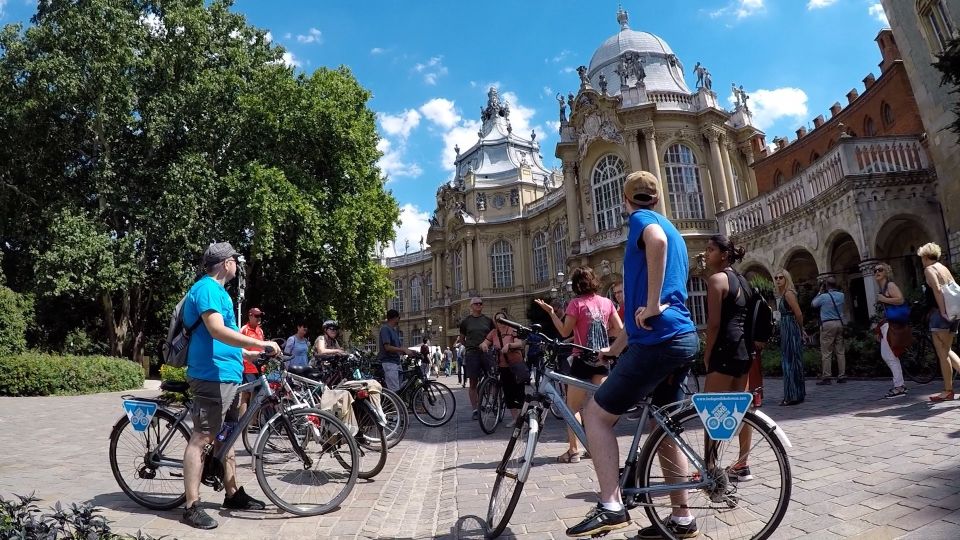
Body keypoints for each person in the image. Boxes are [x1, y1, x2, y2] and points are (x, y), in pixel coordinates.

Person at [567, 171, 699, 539]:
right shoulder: (671, 227)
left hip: (659, 342)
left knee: (595, 415)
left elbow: (654, 247)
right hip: (681, 338)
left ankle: (610, 505)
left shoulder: (644, 222)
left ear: (626, 201)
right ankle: (682, 518)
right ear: (657, 197)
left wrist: (654, 304)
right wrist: (615, 348)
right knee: (664, 428)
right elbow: (643, 304)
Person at [180, 242, 278, 529]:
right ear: (226, 263)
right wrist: (260, 342)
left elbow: (226, 339)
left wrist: (249, 353)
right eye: (236, 259)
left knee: (227, 437)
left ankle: (232, 494)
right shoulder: (207, 288)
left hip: (227, 375)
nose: (238, 263)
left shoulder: (218, 291)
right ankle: (191, 506)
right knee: (202, 438)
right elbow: (215, 330)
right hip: (211, 375)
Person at [535, 266, 622, 464]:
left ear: (575, 285)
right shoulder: (607, 302)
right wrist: (604, 337)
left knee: (572, 407)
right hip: (602, 359)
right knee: (600, 407)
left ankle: (574, 450)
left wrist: (551, 313)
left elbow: (564, 332)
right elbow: (620, 329)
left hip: (581, 361)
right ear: (594, 281)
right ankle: (597, 447)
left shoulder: (575, 304)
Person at [700, 234, 755, 482]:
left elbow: (713, 324)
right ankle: (742, 463)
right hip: (744, 348)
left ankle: (710, 466)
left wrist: (707, 353)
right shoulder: (744, 281)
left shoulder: (716, 280)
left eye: (710, 249)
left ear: (723, 254)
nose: (706, 254)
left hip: (724, 348)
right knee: (742, 408)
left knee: (713, 409)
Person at [918, 242, 960, 402]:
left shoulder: (929, 269)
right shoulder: (943, 268)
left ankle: (948, 390)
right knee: (947, 350)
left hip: (941, 314)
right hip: (956, 313)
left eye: (922, 257)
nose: (921, 260)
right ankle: (948, 390)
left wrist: (942, 311)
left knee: (943, 353)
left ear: (925, 256)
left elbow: (937, 289)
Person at [480, 317, 527, 425]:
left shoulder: (512, 330)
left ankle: (522, 418)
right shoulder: (493, 332)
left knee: (519, 392)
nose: (500, 322)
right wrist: (484, 345)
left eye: (502, 320)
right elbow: (485, 342)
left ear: (506, 320)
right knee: (508, 393)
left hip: (515, 364)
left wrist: (509, 345)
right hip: (503, 366)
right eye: (498, 320)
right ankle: (516, 419)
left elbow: (520, 343)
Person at [873, 263, 909, 398]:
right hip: (888, 323)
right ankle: (900, 385)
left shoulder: (890, 285)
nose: (877, 272)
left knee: (889, 355)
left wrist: (884, 299)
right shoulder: (882, 287)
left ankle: (899, 387)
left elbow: (900, 299)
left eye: (880, 270)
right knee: (889, 355)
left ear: (886, 272)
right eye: (875, 270)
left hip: (893, 324)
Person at [459, 297, 495, 420]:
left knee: (492, 379)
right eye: (476, 303)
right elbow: (462, 339)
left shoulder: (488, 320)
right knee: (473, 382)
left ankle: (492, 403)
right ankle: (475, 409)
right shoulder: (466, 322)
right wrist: (470, 347)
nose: (479, 305)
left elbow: (493, 336)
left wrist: (488, 345)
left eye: (480, 303)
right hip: (472, 354)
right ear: (471, 306)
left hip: (486, 353)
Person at [775, 269, 807, 406]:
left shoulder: (788, 294)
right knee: (792, 360)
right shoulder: (783, 294)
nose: (778, 280)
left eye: (781, 277)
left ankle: (792, 396)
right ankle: (796, 394)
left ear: (786, 278)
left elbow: (798, 313)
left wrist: (801, 329)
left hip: (790, 328)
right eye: (776, 278)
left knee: (790, 362)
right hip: (786, 327)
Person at [812, 276, 846, 385]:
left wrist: (820, 292)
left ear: (826, 286)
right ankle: (842, 376)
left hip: (827, 324)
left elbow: (813, 304)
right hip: (839, 323)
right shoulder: (841, 295)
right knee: (840, 351)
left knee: (826, 352)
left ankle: (827, 377)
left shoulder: (823, 297)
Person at [237, 307, 265, 418]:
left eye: (260, 316)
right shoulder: (244, 329)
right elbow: (238, 346)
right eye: (257, 316)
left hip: (260, 367)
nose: (259, 318)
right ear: (250, 316)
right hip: (248, 367)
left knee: (258, 395)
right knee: (246, 394)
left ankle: (253, 422)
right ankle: (242, 421)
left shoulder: (260, 330)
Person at [378, 309, 405, 391]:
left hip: (396, 363)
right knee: (394, 391)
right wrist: (402, 350)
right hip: (389, 363)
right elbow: (387, 347)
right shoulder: (385, 329)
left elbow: (399, 348)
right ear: (395, 318)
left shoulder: (394, 330)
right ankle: (393, 404)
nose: (399, 320)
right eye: (398, 318)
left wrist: (409, 352)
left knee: (398, 389)